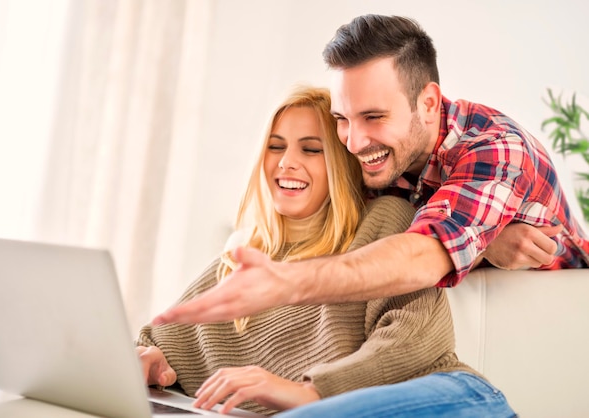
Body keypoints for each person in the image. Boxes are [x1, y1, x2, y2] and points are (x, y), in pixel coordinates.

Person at [152, 14, 589, 328]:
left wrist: (288, 283)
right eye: (344, 118)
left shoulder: (497, 150)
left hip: (556, 319)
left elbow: (423, 253)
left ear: (429, 103)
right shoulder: (382, 155)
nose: (355, 143)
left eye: (374, 117)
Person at [136, 86, 515, 416]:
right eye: (275, 146)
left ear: (340, 163)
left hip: (451, 398)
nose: (287, 162)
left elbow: (414, 342)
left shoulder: (384, 221)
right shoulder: (245, 259)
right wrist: (152, 362)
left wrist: (308, 392)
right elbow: (163, 340)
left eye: (312, 149)